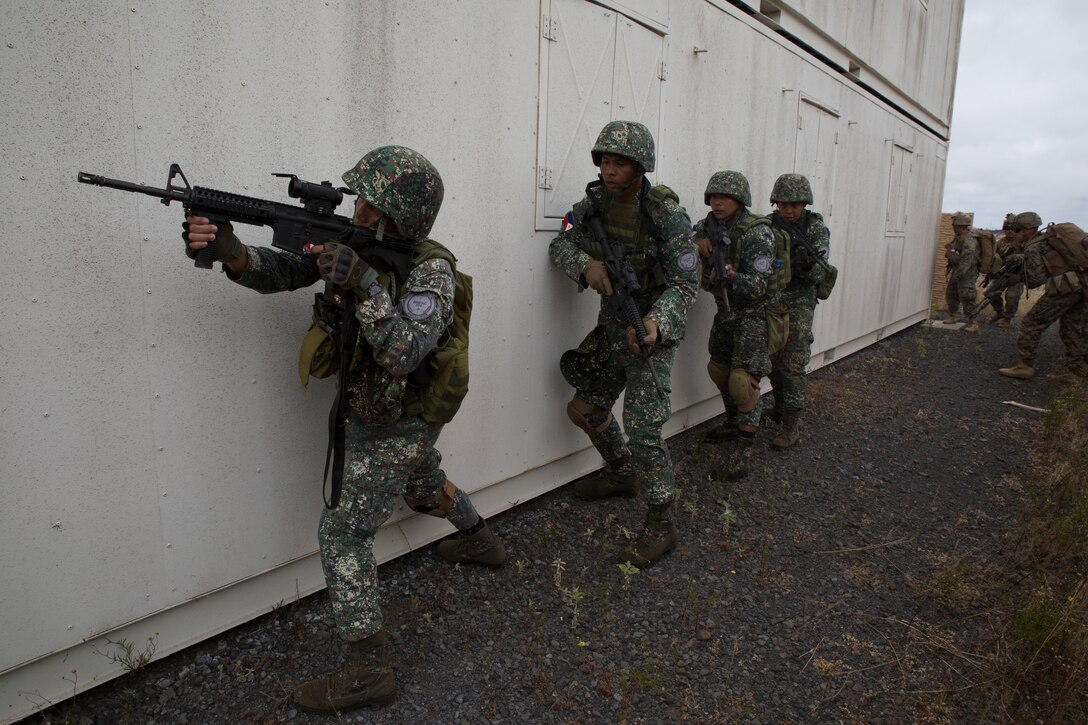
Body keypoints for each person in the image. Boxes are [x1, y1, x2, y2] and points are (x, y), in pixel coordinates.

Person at [183, 145, 506, 713]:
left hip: (404, 412)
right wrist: (229, 248)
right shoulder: (355, 243)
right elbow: (282, 271)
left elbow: (404, 351)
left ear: (397, 217)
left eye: (368, 204)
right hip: (379, 405)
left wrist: (364, 285)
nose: (356, 210)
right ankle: (479, 538)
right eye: (357, 200)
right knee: (423, 485)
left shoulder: (433, 269)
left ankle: (368, 672)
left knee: (343, 535)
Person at [549, 120, 698, 568]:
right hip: (613, 325)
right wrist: (586, 266)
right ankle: (622, 471)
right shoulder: (591, 205)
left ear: (640, 167)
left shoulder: (666, 215)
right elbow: (561, 243)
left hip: (651, 331)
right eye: (606, 162)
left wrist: (655, 322)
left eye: (621, 163)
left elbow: (686, 284)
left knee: (645, 429)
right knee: (584, 409)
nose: (610, 171)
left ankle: (661, 523)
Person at [695, 170, 775, 478]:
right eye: (713, 197)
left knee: (743, 382)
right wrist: (697, 244)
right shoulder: (707, 226)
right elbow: (685, 245)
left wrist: (731, 277)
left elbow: (758, 285)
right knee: (718, 369)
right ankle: (732, 422)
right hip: (724, 312)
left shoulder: (758, 233)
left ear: (739, 201)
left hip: (753, 313)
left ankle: (744, 447)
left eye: (724, 198)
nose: (717, 203)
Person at [765, 173, 831, 450]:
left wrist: (805, 265)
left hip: (801, 298)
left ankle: (792, 425)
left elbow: (820, 269)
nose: (789, 209)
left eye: (795, 204)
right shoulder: (767, 225)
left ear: (805, 204)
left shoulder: (815, 229)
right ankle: (780, 407)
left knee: (793, 362)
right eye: (783, 204)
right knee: (772, 357)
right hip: (774, 297)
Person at [999, 212, 1088, 379]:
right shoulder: (1050, 241)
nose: (1015, 234)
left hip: (1065, 289)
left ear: (1028, 230)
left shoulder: (1033, 247)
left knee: (1031, 322)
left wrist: (1017, 278)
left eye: (1017, 230)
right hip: (1081, 287)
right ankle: (1077, 369)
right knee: (1071, 327)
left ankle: (1025, 366)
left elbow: (1036, 280)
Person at [985, 212, 1025, 328]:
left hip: (1016, 274)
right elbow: (995, 256)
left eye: (1011, 229)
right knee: (990, 292)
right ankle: (1000, 313)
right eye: (1006, 229)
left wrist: (1015, 257)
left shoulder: (1023, 242)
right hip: (1003, 273)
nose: (1008, 232)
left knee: (1012, 296)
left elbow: (1029, 255)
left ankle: (1008, 318)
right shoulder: (1001, 242)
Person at [942, 212, 980, 331]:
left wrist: (958, 275)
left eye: (955, 225)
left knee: (967, 295)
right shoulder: (958, 238)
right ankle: (953, 315)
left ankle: (972, 321)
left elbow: (966, 261)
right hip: (958, 270)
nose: (953, 226)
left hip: (967, 272)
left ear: (962, 226)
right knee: (951, 293)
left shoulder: (969, 240)